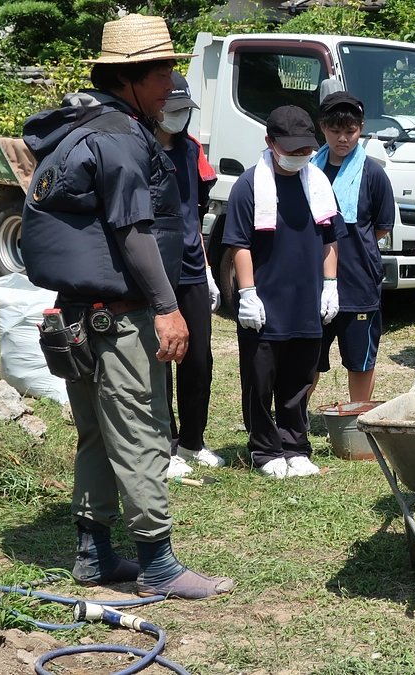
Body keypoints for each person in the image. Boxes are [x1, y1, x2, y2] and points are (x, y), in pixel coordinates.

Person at [20, 13, 233, 599]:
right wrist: (167, 306)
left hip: (77, 315)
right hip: (119, 318)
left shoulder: (80, 127)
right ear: (128, 77)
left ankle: (94, 556)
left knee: (95, 433)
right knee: (142, 430)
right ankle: (158, 565)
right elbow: (132, 231)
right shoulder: (119, 138)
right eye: (162, 72)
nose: (171, 84)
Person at [222, 105, 346, 478]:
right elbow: (239, 243)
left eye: (305, 149)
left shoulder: (317, 183)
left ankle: (295, 446)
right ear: (270, 142)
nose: (299, 155)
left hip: (306, 299)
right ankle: (265, 449)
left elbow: (330, 239)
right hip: (265, 300)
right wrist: (247, 293)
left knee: (299, 379)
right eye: (291, 149)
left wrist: (330, 286)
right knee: (261, 381)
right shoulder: (249, 185)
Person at [153, 72, 226, 478]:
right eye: (174, 109)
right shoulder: (141, 148)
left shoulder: (191, 150)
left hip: (193, 269)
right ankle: (165, 444)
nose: (180, 116)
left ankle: (193, 440)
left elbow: (195, 215)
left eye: (186, 110)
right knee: (162, 355)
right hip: (155, 268)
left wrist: (208, 271)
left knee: (198, 358)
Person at [309, 92, 396, 402]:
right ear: (322, 127)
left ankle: (357, 416)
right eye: (335, 131)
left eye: (350, 131)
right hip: (313, 282)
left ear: (361, 128)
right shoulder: (309, 170)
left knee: (360, 361)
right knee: (308, 358)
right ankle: (295, 419)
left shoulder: (373, 173)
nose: (343, 138)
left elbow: (382, 226)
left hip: (358, 283)